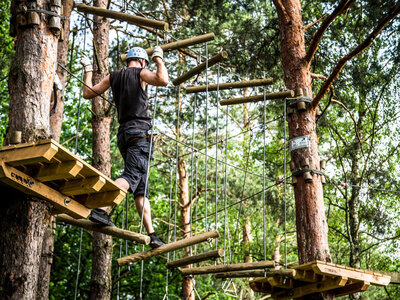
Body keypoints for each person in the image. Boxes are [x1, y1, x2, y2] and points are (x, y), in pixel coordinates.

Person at [80, 46, 168, 248]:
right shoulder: (141, 73)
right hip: (140, 134)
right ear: (142, 61)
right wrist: (160, 60)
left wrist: (88, 71)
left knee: (140, 189)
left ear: (127, 60)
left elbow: (88, 93)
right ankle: (101, 210)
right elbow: (163, 80)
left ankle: (152, 234)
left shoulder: (114, 76)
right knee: (130, 177)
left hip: (124, 135)